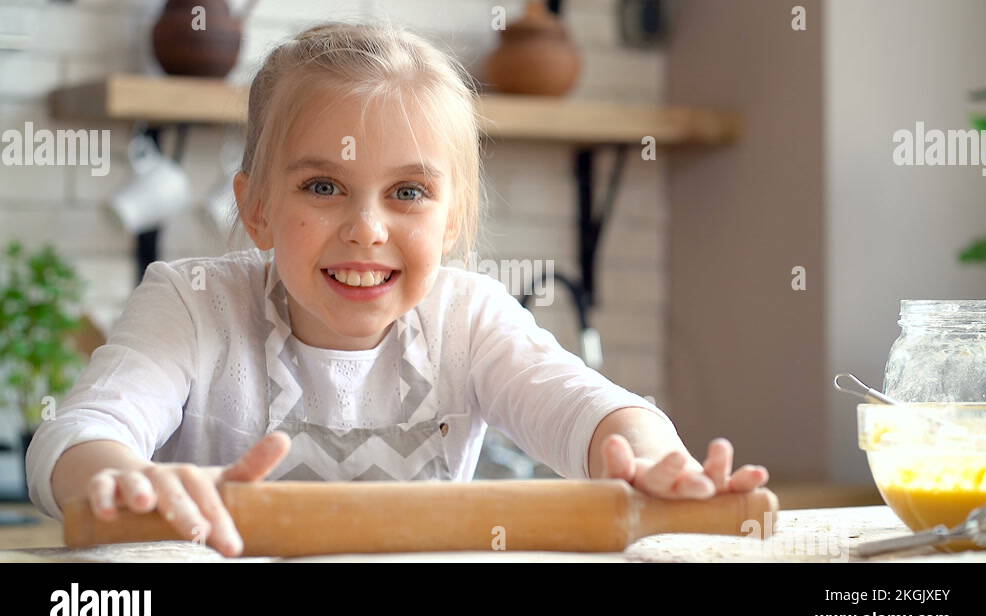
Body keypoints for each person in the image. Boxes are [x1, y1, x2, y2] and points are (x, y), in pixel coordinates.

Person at [27, 21, 768, 557]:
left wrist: (646, 459)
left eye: (408, 191)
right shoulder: (191, 303)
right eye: (324, 185)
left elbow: (592, 409)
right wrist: (120, 478)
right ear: (255, 208)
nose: (366, 227)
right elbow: (74, 435)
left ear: (452, 221)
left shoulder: (469, 318)